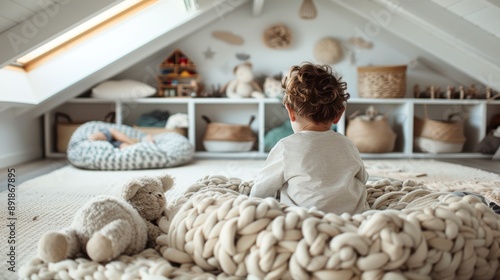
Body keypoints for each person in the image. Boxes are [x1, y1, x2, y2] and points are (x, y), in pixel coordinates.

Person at [249, 62, 369, 214]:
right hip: (353, 217)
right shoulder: (347, 144)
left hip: (305, 220)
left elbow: (261, 190)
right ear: (339, 114)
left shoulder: (286, 147)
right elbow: (362, 178)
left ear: (290, 111)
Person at [88, 128, 153, 150]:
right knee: (93, 137)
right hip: (111, 140)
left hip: (117, 144)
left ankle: (134, 145)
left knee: (125, 146)